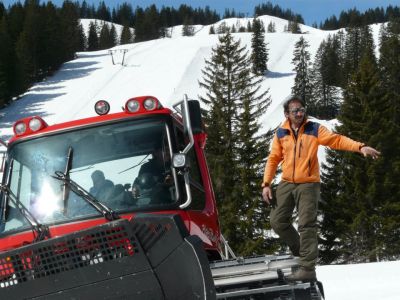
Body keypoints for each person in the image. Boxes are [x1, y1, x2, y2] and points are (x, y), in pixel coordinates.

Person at [261, 95, 380, 282]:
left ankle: (308, 268)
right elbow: (274, 158)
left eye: (302, 110)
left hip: (308, 183)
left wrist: (360, 147)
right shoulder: (281, 133)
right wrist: (266, 184)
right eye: (295, 111)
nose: (300, 113)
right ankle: (302, 251)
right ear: (287, 114)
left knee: (306, 224)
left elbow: (336, 140)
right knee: (277, 220)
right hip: (286, 182)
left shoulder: (314, 129)